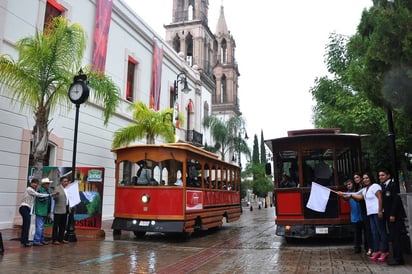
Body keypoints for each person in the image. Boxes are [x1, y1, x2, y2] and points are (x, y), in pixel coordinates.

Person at [340, 172, 389, 262]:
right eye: (364, 178)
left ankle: (384, 251)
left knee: (381, 232)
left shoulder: (375, 186)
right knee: (374, 232)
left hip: (377, 213)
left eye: (367, 178)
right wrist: (344, 194)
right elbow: (358, 196)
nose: (365, 179)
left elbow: (380, 198)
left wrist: (380, 210)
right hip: (370, 214)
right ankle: (376, 250)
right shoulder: (365, 189)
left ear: (370, 178)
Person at [378, 168, 406, 265]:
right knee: (393, 237)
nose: (380, 177)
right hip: (388, 216)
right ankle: (396, 257)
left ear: (388, 176)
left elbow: (396, 201)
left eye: (382, 175)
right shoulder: (384, 186)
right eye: (379, 175)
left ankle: (398, 259)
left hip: (394, 216)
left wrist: (393, 214)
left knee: (395, 237)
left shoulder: (393, 186)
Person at [19, 178, 58, 247]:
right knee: (28, 225)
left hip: (30, 209)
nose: (35, 185)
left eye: (36, 183)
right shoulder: (30, 189)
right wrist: (50, 195)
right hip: (25, 207)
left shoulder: (37, 190)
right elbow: (39, 195)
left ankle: (25, 241)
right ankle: (28, 241)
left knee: (29, 225)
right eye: (34, 183)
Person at [353, 172, 373, 256]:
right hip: (363, 211)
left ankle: (370, 248)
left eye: (357, 177)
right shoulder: (358, 187)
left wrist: (350, 196)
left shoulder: (366, 187)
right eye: (354, 178)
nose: (356, 179)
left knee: (369, 230)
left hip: (369, 210)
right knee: (366, 230)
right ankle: (368, 247)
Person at [343, 179, 363, 253]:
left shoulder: (359, 191)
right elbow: (344, 198)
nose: (348, 186)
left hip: (363, 214)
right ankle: (357, 247)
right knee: (356, 233)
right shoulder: (348, 193)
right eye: (347, 185)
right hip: (355, 216)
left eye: (350, 184)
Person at [32, 178, 53, 246]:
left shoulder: (46, 191)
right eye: (47, 183)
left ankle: (41, 239)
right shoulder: (40, 190)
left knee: (41, 227)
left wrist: (48, 212)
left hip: (44, 211)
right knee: (40, 227)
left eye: (48, 183)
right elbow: (42, 199)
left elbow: (48, 202)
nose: (48, 185)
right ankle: (37, 241)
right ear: (44, 184)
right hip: (40, 211)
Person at [52, 176, 70, 245]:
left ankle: (61, 239)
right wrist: (56, 195)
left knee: (63, 225)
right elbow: (54, 198)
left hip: (65, 209)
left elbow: (68, 199)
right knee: (56, 226)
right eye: (64, 181)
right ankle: (55, 239)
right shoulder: (57, 188)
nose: (66, 183)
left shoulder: (67, 189)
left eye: (67, 181)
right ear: (61, 182)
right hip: (58, 210)